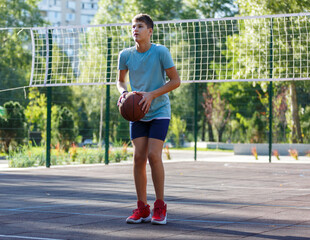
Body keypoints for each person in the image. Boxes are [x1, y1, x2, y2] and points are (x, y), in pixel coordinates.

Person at [117, 13, 180, 225]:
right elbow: (120, 82)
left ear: (150, 31)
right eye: (133, 26)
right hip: (138, 112)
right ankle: (142, 208)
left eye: (140, 26)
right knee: (138, 158)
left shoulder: (160, 51)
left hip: (159, 110)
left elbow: (175, 81)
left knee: (154, 156)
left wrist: (152, 94)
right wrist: (124, 94)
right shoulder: (125, 55)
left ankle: (160, 206)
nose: (135, 29)